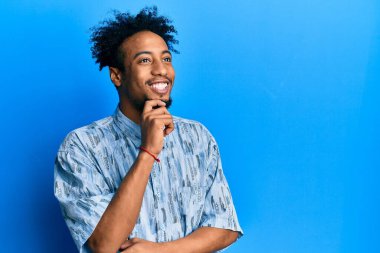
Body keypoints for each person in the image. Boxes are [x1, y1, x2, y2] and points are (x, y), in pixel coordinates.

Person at [54, 6, 243, 253]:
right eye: (145, 60)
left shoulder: (197, 137)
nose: (161, 70)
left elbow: (225, 227)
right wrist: (148, 151)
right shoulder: (81, 146)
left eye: (166, 59)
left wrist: (158, 251)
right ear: (116, 76)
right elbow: (103, 245)